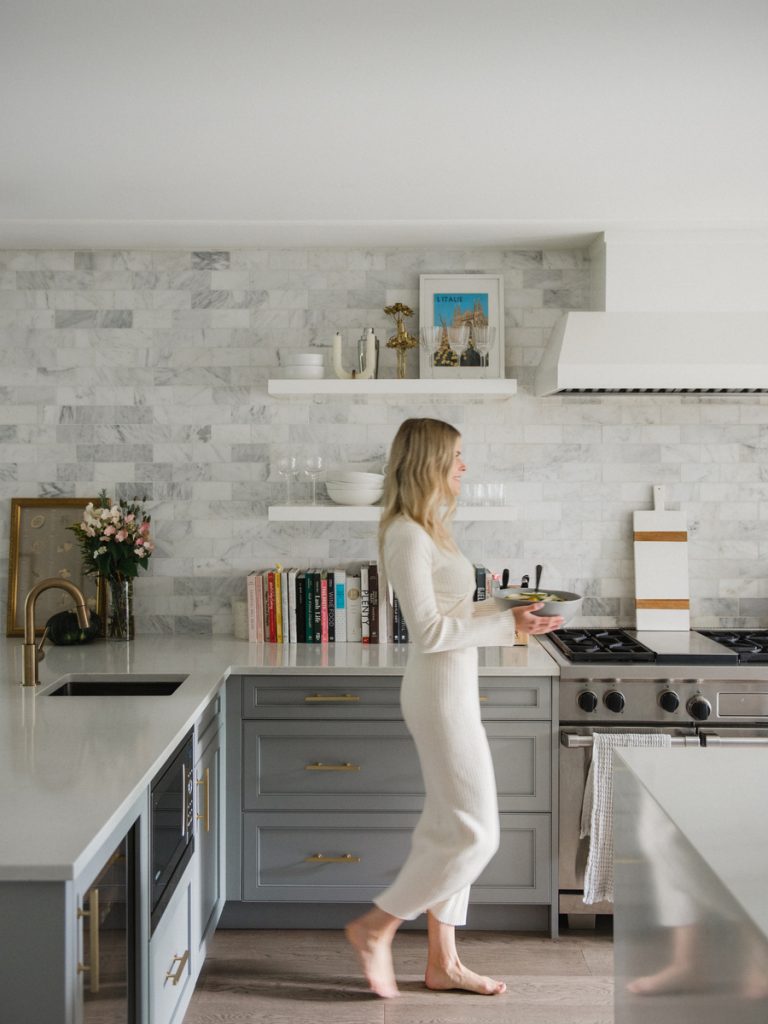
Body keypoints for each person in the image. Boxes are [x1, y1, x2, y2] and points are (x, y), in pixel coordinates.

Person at [345, 417, 564, 999]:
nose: (465, 466)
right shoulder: (405, 535)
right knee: (476, 835)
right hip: (437, 692)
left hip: (454, 687)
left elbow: (455, 611)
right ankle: (377, 926)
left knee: (447, 825)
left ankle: (442, 962)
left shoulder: (433, 529)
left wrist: (511, 612)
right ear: (430, 462)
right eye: (458, 456)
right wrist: (505, 624)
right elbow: (429, 632)